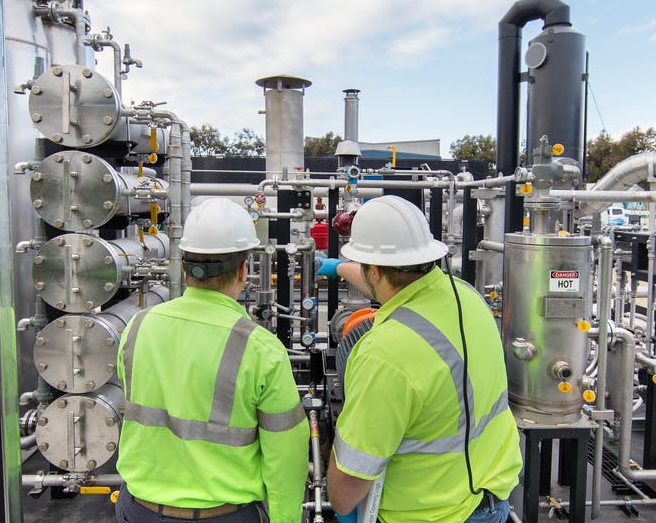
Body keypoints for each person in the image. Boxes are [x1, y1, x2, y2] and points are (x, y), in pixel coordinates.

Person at [323, 195, 522, 523]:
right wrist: (340, 268)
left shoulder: (385, 354)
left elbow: (345, 496)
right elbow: (389, 285)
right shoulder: (467, 296)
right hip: (492, 499)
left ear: (373, 269)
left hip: (430, 513)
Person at [116, 198, 308, 523]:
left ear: (184, 265)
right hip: (223, 514)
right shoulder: (260, 348)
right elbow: (285, 454)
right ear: (244, 269)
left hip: (138, 509)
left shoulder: (138, 325)